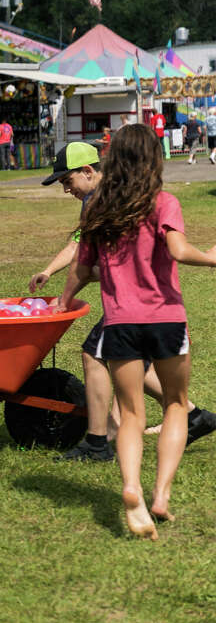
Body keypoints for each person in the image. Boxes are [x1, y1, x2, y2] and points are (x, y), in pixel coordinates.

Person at [56, 124, 216, 539]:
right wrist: (212, 258)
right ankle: (160, 493)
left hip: (121, 322)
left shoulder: (98, 210)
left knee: (130, 415)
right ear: (154, 160)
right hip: (165, 319)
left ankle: (131, 489)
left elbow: (84, 268)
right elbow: (178, 250)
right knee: (177, 405)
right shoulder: (164, 202)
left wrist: (71, 294)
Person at [31, 142, 216, 461]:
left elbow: (88, 262)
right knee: (127, 359)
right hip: (154, 305)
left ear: (88, 171)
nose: (65, 189)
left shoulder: (102, 203)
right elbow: (81, 249)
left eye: (67, 181)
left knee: (95, 353)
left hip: (135, 303)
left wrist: (68, 296)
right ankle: (192, 416)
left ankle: (99, 441)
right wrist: (50, 271)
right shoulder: (114, 198)